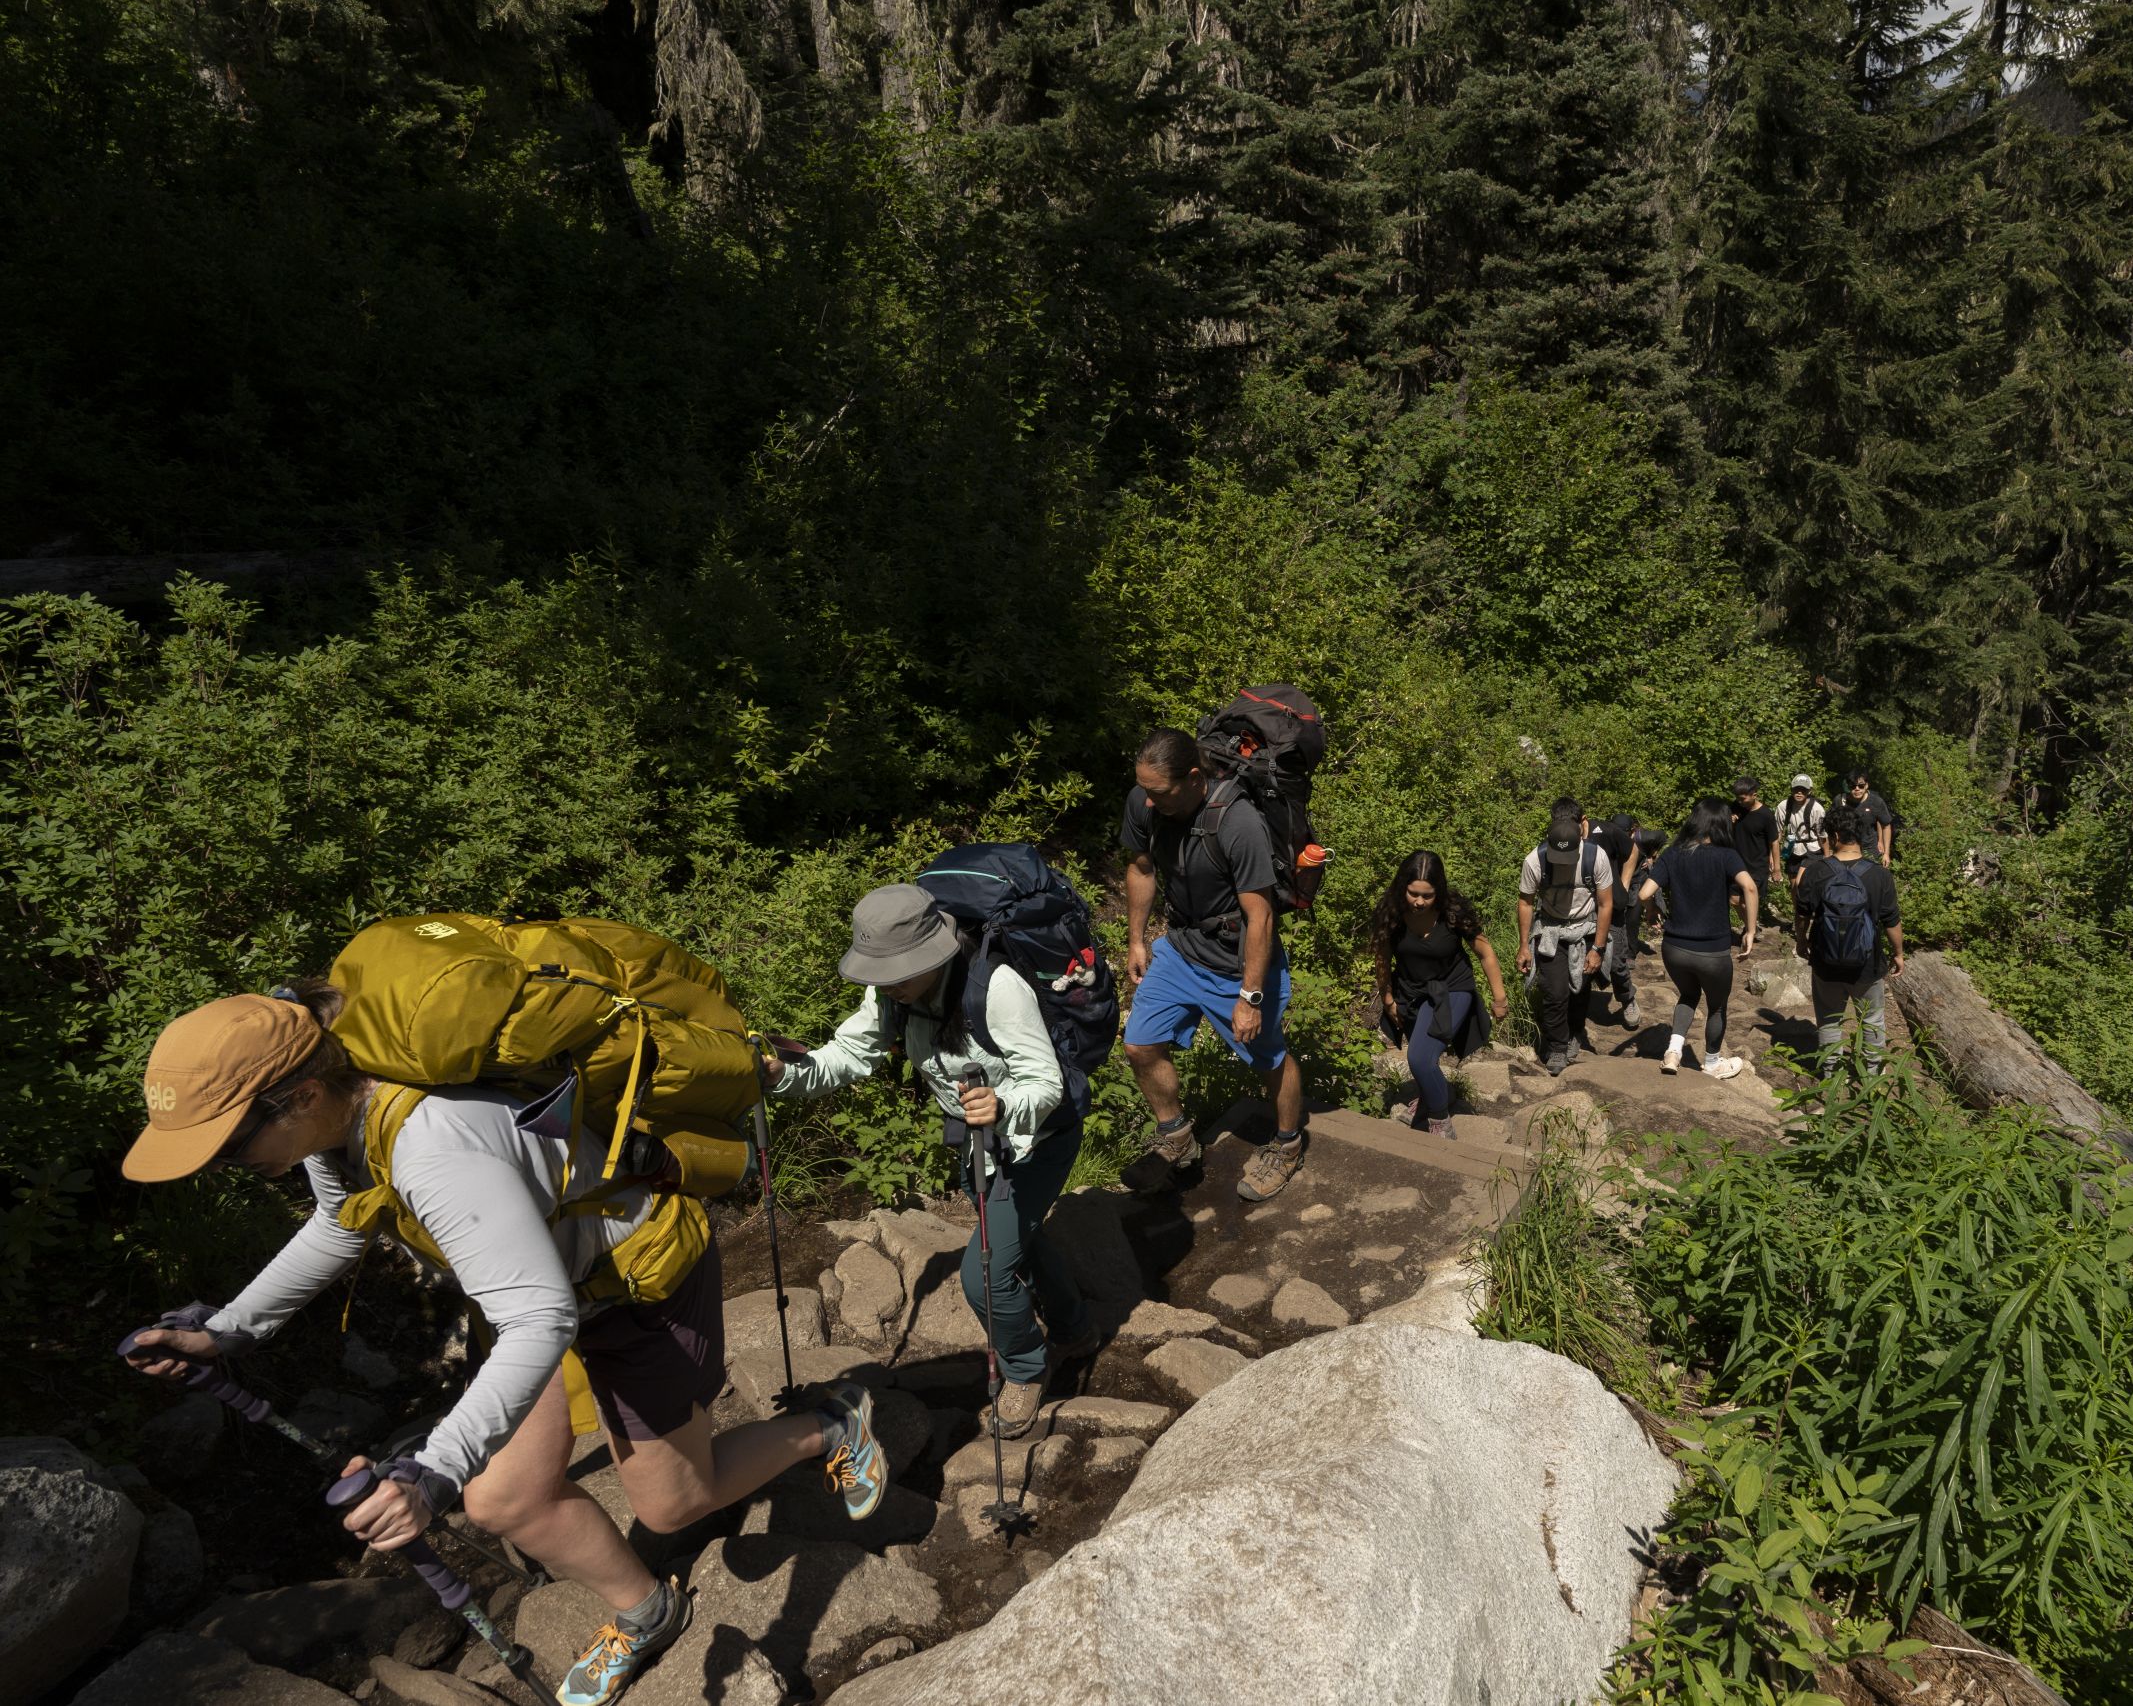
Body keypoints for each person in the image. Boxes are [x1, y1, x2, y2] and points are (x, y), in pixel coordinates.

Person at [117, 990, 887, 1706]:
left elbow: (539, 1324)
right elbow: (340, 1220)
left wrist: (431, 1470)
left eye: (228, 1143)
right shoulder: (342, 1124)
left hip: (629, 1285)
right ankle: (646, 1607)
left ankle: (830, 1421)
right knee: (504, 1497)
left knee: (673, 1502)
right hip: (539, 1285)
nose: (226, 1163)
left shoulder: (432, 1152)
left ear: (300, 1094)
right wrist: (227, 1329)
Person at [768, 884, 1097, 1438]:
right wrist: (785, 1076)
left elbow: (1046, 1084)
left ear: (935, 953)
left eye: (897, 971)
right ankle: (1074, 1330)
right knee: (1025, 1241)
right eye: (880, 971)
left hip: (1037, 1142)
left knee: (986, 1274)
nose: (886, 982)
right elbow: (848, 1055)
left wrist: (1002, 1104)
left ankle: (1025, 1370)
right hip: (976, 1145)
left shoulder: (995, 988)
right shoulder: (891, 995)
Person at [1120, 728, 1309, 1202]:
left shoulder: (1237, 822)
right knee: (1140, 1045)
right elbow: (1141, 868)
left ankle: (1288, 1145)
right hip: (1181, 948)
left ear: (1192, 778)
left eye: (1159, 792)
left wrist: (1250, 997)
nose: (1149, 800)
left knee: (1267, 1057)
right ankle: (1176, 1136)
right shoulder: (1146, 801)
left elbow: (1260, 915)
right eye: (1144, 789)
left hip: (1236, 961)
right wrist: (1137, 941)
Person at [1370, 852, 1510, 1138]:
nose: (1419, 902)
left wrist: (1500, 998)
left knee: (1421, 1058)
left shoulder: (1453, 912)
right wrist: (1387, 999)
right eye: (1413, 893)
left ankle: (1440, 1122)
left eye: (1427, 895)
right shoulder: (1392, 913)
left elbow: (1485, 953)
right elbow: (1382, 959)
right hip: (1410, 991)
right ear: (1402, 888)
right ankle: (1433, 1096)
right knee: (1423, 1055)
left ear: (1439, 891)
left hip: (1452, 989)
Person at [1638, 801, 1758, 1078]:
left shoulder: (1673, 853)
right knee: (1716, 1005)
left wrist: (1652, 911)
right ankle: (1713, 1063)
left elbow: (1644, 894)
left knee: (1689, 994)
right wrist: (1749, 931)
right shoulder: (1726, 856)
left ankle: (1673, 1051)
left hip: (1675, 949)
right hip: (1712, 952)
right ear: (1721, 824)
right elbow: (1749, 886)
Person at [1795, 815, 1907, 1075]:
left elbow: (1802, 914)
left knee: (1829, 1019)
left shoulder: (1816, 871)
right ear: (1860, 837)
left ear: (1833, 837)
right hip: (1867, 964)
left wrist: (1802, 941)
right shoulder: (1879, 875)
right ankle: (1872, 1074)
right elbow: (1892, 920)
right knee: (1872, 1020)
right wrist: (1899, 953)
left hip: (1825, 962)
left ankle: (1831, 1074)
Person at [1514, 798, 1615, 1075]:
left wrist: (1598, 948)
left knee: (1580, 988)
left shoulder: (1596, 857)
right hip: (1550, 930)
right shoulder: (1535, 860)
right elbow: (1525, 902)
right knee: (1555, 992)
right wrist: (1524, 946)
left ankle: (1575, 1032)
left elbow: (1606, 904)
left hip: (1585, 930)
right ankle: (1557, 1047)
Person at [1588, 812, 1645, 1029]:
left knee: (1616, 960)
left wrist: (1623, 882)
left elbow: (1633, 850)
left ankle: (1627, 999)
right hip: (1583, 907)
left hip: (1612, 905)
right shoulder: (1562, 836)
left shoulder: (1605, 831)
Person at [1730, 777, 1781, 928]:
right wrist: (1730, 819)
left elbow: (1774, 841)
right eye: (1737, 799)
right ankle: (1751, 926)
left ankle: (1749, 930)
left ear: (1754, 795)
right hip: (1737, 863)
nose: (1740, 802)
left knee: (1748, 900)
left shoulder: (1765, 815)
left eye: (1743, 799)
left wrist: (1777, 868)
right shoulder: (1736, 807)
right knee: (1733, 899)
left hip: (1757, 865)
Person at [1778, 774, 1827, 900]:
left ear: (1809, 791)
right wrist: (1774, 857)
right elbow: (1778, 832)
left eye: (1803, 790)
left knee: (1801, 884)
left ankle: (1808, 914)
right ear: (1792, 789)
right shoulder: (1784, 806)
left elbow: (1822, 835)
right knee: (1793, 885)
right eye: (1796, 789)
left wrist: (1827, 857)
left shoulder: (1817, 809)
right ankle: (1798, 917)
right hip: (1792, 848)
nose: (1799, 792)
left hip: (1812, 849)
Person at [1835, 771, 1897, 866]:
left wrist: (1886, 853)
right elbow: (1832, 824)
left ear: (1866, 785)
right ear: (1848, 786)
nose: (1857, 789)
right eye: (1853, 786)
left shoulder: (1876, 802)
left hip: (1869, 850)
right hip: (1846, 849)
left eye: (1861, 786)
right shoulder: (1839, 801)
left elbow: (1886, 826)